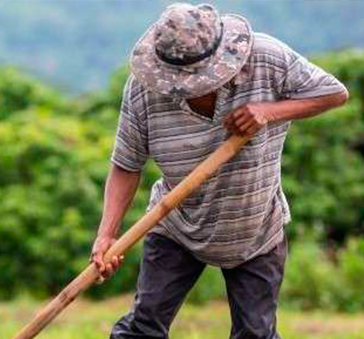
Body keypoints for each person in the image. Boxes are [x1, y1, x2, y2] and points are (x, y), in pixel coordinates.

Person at [90, 3, 349, 339]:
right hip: (176, 225)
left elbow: (334, 93)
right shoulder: (143, 90)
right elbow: (126, 163)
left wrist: (269, 111)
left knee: (255, 334)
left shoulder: (266, 58)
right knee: (142, 329)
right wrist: (106, 234)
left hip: (254, 229)